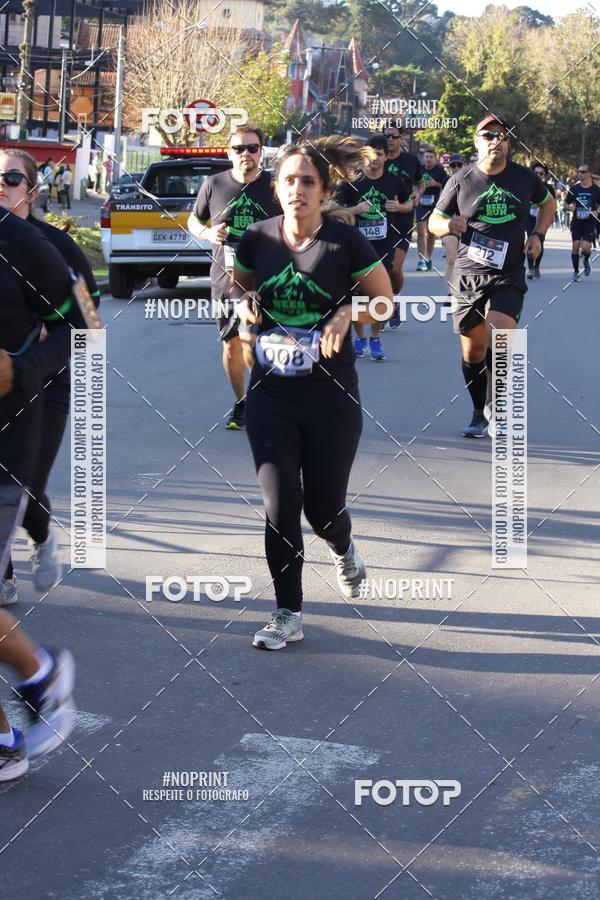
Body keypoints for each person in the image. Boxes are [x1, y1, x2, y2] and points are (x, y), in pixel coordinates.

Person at [230, 136, 392, 649]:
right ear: (276, 190)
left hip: (332, 396)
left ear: (324, 191)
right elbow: (238, 286)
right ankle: (287, 613)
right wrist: (245, 303)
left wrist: (350, 312)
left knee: (322, 510)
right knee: (281, 506)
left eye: (308, 182)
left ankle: (344, 548)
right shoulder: (257, 237)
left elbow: (386, 303)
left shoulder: (345, 243)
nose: (297, 189)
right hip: (271, 393)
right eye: (289, 181)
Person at [0, 192, 84, 778]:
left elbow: (77, 327)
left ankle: (37, 682)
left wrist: (18, 369)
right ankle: (37, 681)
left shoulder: (23, 243)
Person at [0, 149, 100, 607]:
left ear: (33, 191)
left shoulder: (55, 248)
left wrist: (32, 360)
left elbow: (87, 322)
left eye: (12, 178)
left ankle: (40, 536)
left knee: (24, 486)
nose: (2, 184)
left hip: (47, 380)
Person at [428, 114, 555, 438]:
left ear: (509, 142)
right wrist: (449, 226)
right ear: (477, 140)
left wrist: (538, 234)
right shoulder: (461, 179)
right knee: (473, 352)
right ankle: (477, 410)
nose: (495, 140)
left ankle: (497, 407)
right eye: (488, 135)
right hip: (469, 274)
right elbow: (434, 221)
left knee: (500, 340)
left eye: (501, 135)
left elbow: (548, 204)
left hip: (508, 273)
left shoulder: (524, 178)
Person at [188, 125, 281, 430]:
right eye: (239, 148)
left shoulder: (275, 185)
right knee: (232, 345)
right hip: (225, 279)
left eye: (252, 148)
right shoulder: (213, 184)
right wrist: (208, 232)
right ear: (229, 152)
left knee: (257, 341)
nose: (246, 154)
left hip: (268, 278)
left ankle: (266, 399)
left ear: (261, 152)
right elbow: (194, 220)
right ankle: (242, 403)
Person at [335, 134, 412, 360]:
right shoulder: (351, 182)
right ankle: (360, 338)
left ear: (386, 157)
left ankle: (376, 338)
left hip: (383, 246)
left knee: (379, 295)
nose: (374, 158)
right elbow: (334, 210)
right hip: (355, 246)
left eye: (379, 154)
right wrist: (356, 211)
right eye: (370, 153)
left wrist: (399, 206)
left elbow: (409, 205)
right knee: (357, 294)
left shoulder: (394, 182)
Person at [382, 124, 424, 299]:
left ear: (401, 138)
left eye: (394, 136)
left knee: (394, 270)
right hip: (380, 219)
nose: (390, 139)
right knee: (382, 268)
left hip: (403, 219)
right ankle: (383, 304)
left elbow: (420, 185)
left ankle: (396, 298)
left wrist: (417, 194)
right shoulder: (377, 160)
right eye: (387, 136)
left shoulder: (411, 161)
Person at [415, 147, 448, 271]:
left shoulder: (440, 171)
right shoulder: (420, 170)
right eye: (426, 157)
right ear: (423, 158)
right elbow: (413, 183)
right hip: (421, 204)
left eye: (431, 157)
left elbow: (446, 186)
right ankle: (421, 260)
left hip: (435, 206)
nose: (428, 159)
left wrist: (436, 184)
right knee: (420, 232)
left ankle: (429, 258)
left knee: (431, 234)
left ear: (435, 158)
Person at [566, 165, 600, 281]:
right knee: (575, 247)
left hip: (589, 223)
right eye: (578, 171)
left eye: (582, 171)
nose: (579, 173)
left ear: (589, 174)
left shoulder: (596, 189)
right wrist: (569, 207)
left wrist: (597, 211)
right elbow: (566, 204)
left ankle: (586, 260)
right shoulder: (574, 189)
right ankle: (576, 272)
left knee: (586, 248)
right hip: (576, 222)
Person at [526, 163, 556, 279]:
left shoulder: (548, 188)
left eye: (541, 173)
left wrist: (551, 217)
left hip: (542, 218)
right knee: (530, 240)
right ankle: (530, 269)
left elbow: (552, 205)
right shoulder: (526, 186)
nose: (538, 175)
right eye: (536, 173)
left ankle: (537, 265)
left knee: (539, 241)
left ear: (545, 176)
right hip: (529, 218)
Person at [441, 154, 464, 291]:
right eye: (453, 166)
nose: (456, 168)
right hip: (449, 224)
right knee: (451, 257)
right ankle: (451, 293)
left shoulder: (472, 182)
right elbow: (440, 204)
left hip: (468, 226)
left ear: (464, 165)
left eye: (459, 165)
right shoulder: (446, 181)